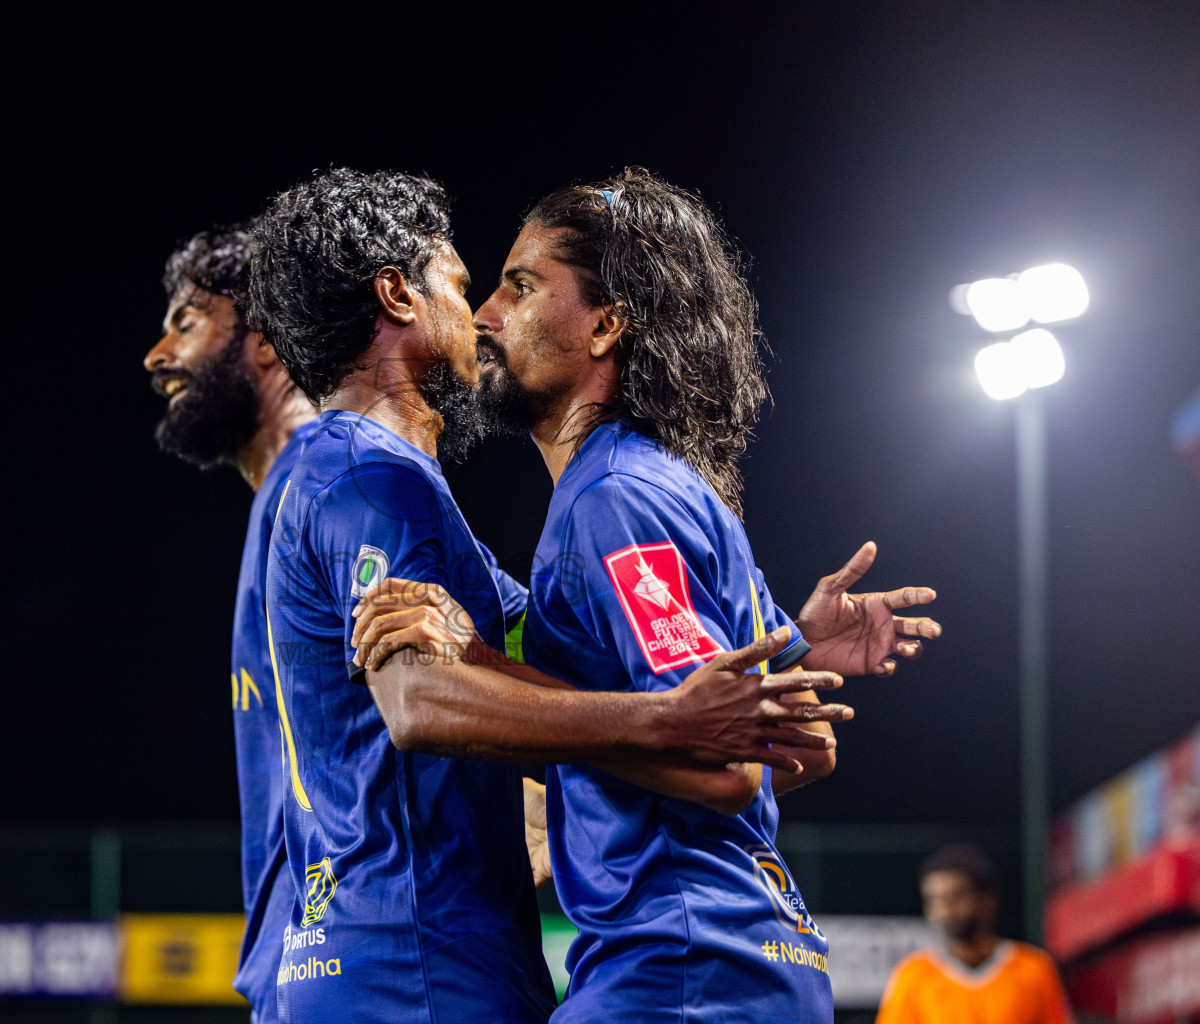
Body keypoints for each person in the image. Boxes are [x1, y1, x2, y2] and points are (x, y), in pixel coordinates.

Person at [247, 168, 855, 1024]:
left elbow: (739, 733)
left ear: (605, 325)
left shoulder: (578, 500)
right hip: (419, 963)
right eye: (471, 286)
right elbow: (423, 698)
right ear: (398, 297)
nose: (486, 314)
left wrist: (779, 650)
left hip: (618, 963)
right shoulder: (375, 478)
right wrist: (666, 722)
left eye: (515, 287)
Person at [142, 223, 318, 1023]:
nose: (156, 355)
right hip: (297, 961)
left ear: (269, 342)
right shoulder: (280, 500)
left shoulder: (326, 483)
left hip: (346, 967)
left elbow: (471, 654)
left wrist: (545, 798)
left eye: (187, 321)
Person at [877, 845, 1073, 1024]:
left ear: (987, 899)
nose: (946, 910)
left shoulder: (1034, 969)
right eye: (935, 900)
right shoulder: (913, 976)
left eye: (955, 897)